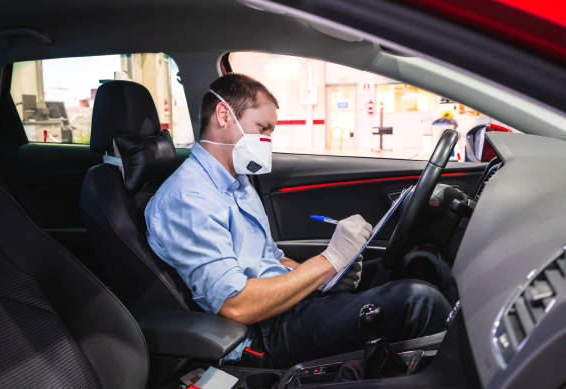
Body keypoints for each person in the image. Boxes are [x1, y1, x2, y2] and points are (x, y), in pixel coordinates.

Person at [145, 73, 451, 368]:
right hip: (264, 332)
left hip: (288, 303)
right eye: (261, 128)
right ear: (224, 115)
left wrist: (329, 279)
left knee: (421, 262)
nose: (266, 141)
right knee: (417, 301)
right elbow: (237, 304)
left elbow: (273, 259)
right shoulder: (188, 198)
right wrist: (328, 261)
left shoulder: (237, 181)